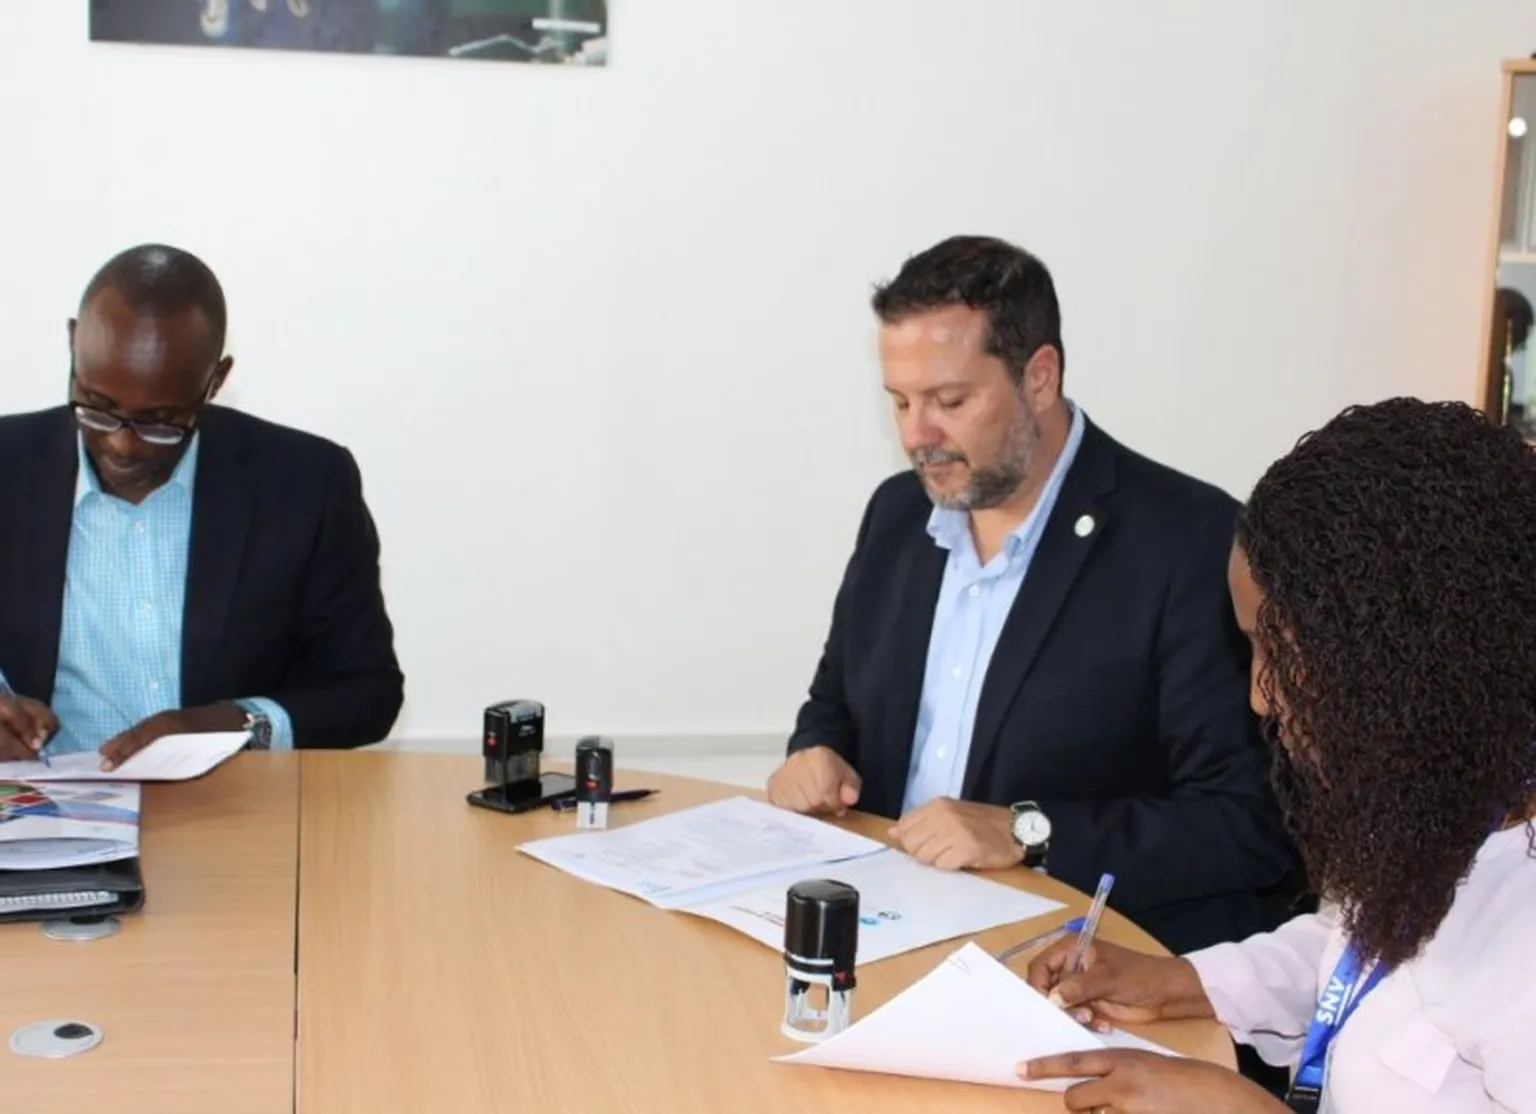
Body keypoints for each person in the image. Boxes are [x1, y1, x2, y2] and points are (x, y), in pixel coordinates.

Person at [766, 235, 1296, 957]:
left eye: (950, 400)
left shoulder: (1188, 542)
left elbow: (1248, 824)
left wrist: (1027, 832)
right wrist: (817, 755)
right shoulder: (896, 516)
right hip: (892, 938)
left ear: (1039, 377)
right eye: (900, 402)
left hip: (1077, 970)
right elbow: (834, 705)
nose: (917, 435)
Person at [1020, 397, 1536, 1113]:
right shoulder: (1443, 802)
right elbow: (1357, 953)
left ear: (1407, 658)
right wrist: (1181, 982)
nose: (1261, 697)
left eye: (1282, 656)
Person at [0, 244, 403, 767]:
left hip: (233, 808)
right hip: (44, 816)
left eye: (160, 421)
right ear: (74, 344)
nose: (123, 446)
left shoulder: (306, 484)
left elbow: (368, 692)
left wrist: (238, 722)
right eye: (97, 409)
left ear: (216, 381)